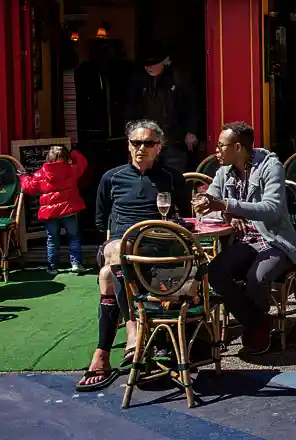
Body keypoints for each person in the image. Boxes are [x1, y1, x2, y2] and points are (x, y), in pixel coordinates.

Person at [77, 119, 187, 392]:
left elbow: (184, 218)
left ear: (158, 147)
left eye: (148, 143)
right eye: (135, 143)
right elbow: (102, 223)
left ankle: (102, 355)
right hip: (119, 247)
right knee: (115, 250)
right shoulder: (111, 178)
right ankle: (133, 328)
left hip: (157, 248)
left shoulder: (171, 178)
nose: (141, 148)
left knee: (106, 277)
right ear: (128, 146)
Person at [198, 122, 296, 356]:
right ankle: (259, 322)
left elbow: (272, 208)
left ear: (237, 147)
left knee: (257, 278)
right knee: (215, 272)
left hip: (276, 241)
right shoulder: (224, 171)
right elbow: (208, 204)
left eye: (220, 145)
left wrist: (228, 205)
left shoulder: (270, 166)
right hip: (244, 242)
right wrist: (224, 213)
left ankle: (255, 326)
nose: (216, 150)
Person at [125, 44, 199, 173]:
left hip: (173, 138)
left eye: (153, 64)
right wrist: (131, 129)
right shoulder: (140, 81)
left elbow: (192, 105)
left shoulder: (178, 79)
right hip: (147, 138)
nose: (149, 67)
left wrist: (191, 131)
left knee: (174, 175)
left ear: (165, 62)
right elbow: (132, 106)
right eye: (146, 65)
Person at [20, 146, 88, 275]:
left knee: (52, 239)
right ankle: (76, 263)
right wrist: (73, 152)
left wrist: (24, 177)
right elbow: (83, 162)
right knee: (73, 237)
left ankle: (52, 267)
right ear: (66, 157)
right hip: (69, 210)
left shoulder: (41, 173)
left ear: (48, 158)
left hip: (50, 214)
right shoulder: (72, 169)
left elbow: (29, 188)